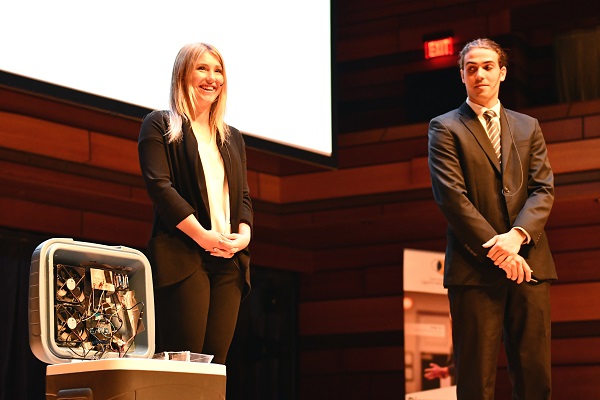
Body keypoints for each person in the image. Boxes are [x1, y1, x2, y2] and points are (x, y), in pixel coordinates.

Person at [427, 38, 557, 399]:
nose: (479, 74)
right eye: (471, 68)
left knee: (535, 375)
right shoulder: (444, 127)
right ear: (462, 77)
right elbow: (452, 198)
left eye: (487, 67)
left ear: (502, 72)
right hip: (474, 268)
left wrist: (516, 237)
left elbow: (543, 189)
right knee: (475, 381)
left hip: (529, 264)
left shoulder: (528, 126)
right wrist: (500, 252)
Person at [138, 42, 253, 365]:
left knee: (215, 367)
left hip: (228, 262)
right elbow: (160, 188)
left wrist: (243, 235)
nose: (212, 77)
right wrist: (202, 234)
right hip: (184, 255)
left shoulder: (232, 137)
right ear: (182, 74)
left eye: (218, 70)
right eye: (202, 68)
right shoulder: (160, 125)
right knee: (184, 362)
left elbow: (242, 195)